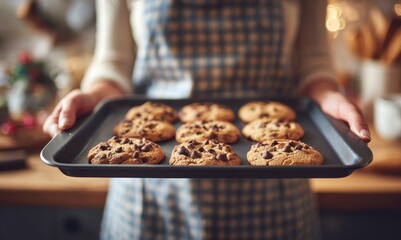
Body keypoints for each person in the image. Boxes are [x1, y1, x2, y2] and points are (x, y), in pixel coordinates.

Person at [43, 0, 371, 239]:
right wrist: (94, 96)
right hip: (152, 192)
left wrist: (328, 95)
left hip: (274, 195)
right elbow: (113, 64)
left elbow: (313, 63)